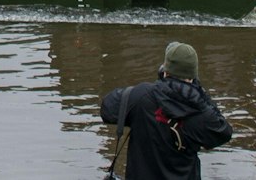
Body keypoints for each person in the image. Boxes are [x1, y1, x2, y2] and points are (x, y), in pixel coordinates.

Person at [99, 41, 233, 180]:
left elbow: (107, 109)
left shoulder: (141, 96)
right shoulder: (201, 114)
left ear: (165, 70)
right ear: (193, 76)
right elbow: (224, 132)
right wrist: (199, 92)